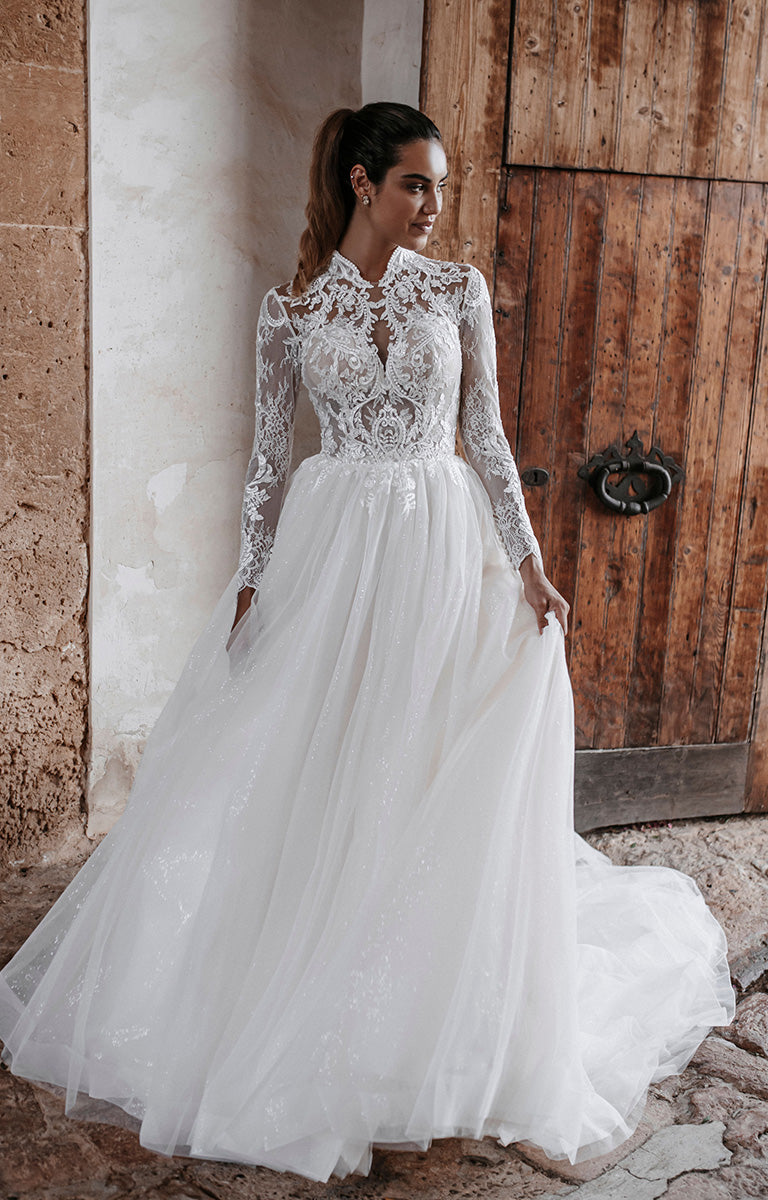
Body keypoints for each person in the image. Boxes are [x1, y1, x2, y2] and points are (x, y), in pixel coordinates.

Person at [0, 102, 735, 1184]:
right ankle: (321, 993)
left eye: (439, 187)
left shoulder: (457, 291)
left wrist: (528, 563)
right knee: (331, 770)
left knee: (428, 767)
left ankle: (431, 1008)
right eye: (415, 185)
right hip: (333, 555)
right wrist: (251, 580)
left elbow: (484, 435)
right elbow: (263, 460)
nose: (434, 207)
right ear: (360, 182)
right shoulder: (290, 309)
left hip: (442, 549)